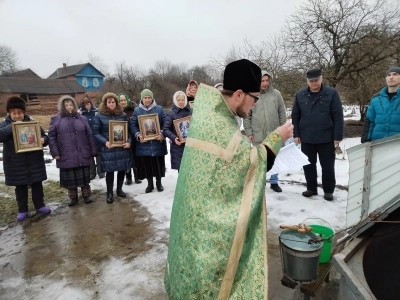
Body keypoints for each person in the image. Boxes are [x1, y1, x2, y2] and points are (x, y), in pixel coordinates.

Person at [164, 59, 293, 299]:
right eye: (254, 98)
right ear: (239, 94)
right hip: (204, 224)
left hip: (191, 215)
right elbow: (250, 163)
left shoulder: (210, 114)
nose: (255, 105)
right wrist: (277, 137)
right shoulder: (222, 128)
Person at [291, 68, 344, 201]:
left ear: (321, 79)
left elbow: (338, 116)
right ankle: (311, 188)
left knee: (327, 166)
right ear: (307, 81)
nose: (314, 83)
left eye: (316, 80)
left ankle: (328, 190)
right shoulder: (300, 95)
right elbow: (295, 116)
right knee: (308, 164)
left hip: (326, 137)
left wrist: (337, 136)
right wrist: (296, 133)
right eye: (311, 81)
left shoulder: (331, 94)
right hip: (306, 137)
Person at [0, 96, 51, 221]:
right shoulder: (4, 124)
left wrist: (44, 140)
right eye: (14, 113)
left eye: (20, 113)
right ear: (9, 113)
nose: (17, 116)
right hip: (15, 164)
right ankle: (22, 210)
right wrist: (13, 127)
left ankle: (40, 206)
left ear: (24, 112)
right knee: (21, 188)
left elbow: (44, 136)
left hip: (34, 161)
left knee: (37, 185)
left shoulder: (32, 124)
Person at [48, 96, 98, 206]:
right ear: (62, 107)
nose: (69, 107)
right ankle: (73, 197)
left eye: (71, 105)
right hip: (65, 153)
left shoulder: (82, 118)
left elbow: (89, 134)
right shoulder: (56, 119)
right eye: (66, 105)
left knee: (84, 177)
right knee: (71, 178)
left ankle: (86, 195)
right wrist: (55, 152)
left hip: (82, 151)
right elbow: (51, 137)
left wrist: (93, 150)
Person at [243, 70, 287, 192]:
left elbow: (282, 112)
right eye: (262, 81)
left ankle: (274, 181)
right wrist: (249, 132)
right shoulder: (252, 95)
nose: (265, 83)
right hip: (258, 133)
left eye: (267, 80)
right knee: (260, 159)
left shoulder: (276, 94)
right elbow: (247, 115)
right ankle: (260, 182)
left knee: (274, 158)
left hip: (274, 133)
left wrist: (283, 128)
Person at [92, 92, 133, 204]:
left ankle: (119, 189)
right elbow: (95, 132)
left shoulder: (123, 115)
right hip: (108, 148)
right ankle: (109, 192)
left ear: (116, 102)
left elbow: (129, 131)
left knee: (122, 169)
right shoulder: (99, 116)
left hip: (122, 148)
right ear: (105, 103)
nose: (111, 103)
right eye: (109, 102)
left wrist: (129, 142)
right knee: (110, 171)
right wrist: (104, 142)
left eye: (113, 101)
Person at [130, 89, 167, 193]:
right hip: (144, 144)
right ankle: (150, 184)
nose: (147, 100)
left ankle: (159, 183)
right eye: (145, 98)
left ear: (152, 98)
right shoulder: (137, 111)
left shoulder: (159, 109)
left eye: (149, 97)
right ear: (142, 99)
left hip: (157, 142)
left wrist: (162, 134)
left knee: (158, 164)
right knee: (147, 165)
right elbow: (132, 125)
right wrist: (138, 135)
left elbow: (166, 123)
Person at [361, 67, 400, 143]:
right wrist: (365, 140)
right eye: (388, 75)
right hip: (378, 144)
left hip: (397, 145)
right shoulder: (376, 99)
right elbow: (369, 121)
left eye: (395, 74)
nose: (391, 77)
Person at [163, 91, 192, 172]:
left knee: (191, 168)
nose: (181, 102)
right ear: (175, 101)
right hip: (178, 146)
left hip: (190, 145)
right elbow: (165, 129)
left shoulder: (191, 111)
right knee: (181, 169)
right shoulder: (171, 113)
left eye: (182, 100)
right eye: (178, 100)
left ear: (185, 100)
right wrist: (174, 138)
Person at [118, 93, 142, 185]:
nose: (123, 102)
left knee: (135, 156)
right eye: (121, 100)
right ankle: (128, 177)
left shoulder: (135, 110)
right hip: (123, 137)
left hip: (134, 136)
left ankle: (137, 176)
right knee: (127, 157)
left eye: (124, 100)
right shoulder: (118, 112)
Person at [79, 96, 104, 179]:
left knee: (99, 154)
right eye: (85, 105)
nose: (87, 106)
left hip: (97, 136)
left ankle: (101, 171)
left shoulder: (96, 112)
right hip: (87, 137)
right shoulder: (81, 114)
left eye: (88, 104)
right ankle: (92, 172)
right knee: (90, 155)